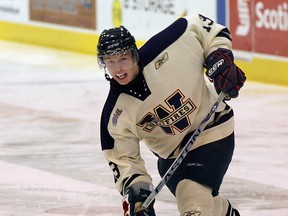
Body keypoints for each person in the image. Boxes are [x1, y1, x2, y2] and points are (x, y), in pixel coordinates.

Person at [97, 14, 246, 216]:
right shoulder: (114, 115)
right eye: (110, 61)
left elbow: (200, 26)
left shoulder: (168, 47)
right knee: (201, 199)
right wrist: (138, 196)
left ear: (134, 54)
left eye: (123, 58)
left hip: (212, 129)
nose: (118, 68)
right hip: (171, 162)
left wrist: (219, 58)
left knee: (192, 201)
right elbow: (125, 162)